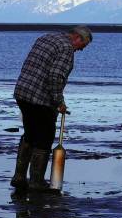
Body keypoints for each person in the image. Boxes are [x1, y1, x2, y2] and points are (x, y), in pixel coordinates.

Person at [11, 25, 92, 191]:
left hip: (22, 92)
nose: (81, 50)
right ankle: (36, 182)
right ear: (77, 38)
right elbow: (55, 77)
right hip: (40, 99)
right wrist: (59, 102)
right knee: (44, 138)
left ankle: (19, 177)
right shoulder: (66, 49)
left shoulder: (46, 37)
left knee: (31, 134)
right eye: (83, 46)